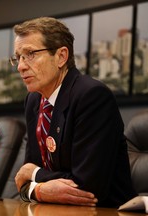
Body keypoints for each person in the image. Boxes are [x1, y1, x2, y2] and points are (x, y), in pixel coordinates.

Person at [10, 17, 137, 207]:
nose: (21, 66)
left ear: (61, 56)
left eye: (30, 54)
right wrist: (37, 189)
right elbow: (26, 179)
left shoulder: (91, 96)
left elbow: (88, 188)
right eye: (18, 57)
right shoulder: (34, 100)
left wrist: (36, 178)